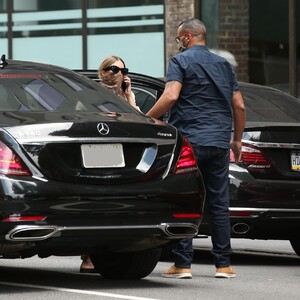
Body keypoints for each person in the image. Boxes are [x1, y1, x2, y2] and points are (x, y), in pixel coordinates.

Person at [146, 18, 246, 279]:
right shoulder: (224, 65)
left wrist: (147, 120)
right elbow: (240, 106)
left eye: (179, 38)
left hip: (190, 142)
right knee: (219, 203)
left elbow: (170, 96)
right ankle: (223, 265)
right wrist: (236, 139)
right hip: (218, 142)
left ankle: (183, 264)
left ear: (188, 37)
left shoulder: (180, 62)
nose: (178, 43)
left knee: (185, 200)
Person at [80, 55, 139, 273]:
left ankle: (111, 253)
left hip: (121, 155)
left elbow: (139, 120)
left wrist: (127, 95)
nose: (119, 73)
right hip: (95, 151)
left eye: (123, 70)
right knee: (93, 204)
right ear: (104, 70)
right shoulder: (91, 91)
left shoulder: (126, 95)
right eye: (114, 69)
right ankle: (88, 256)